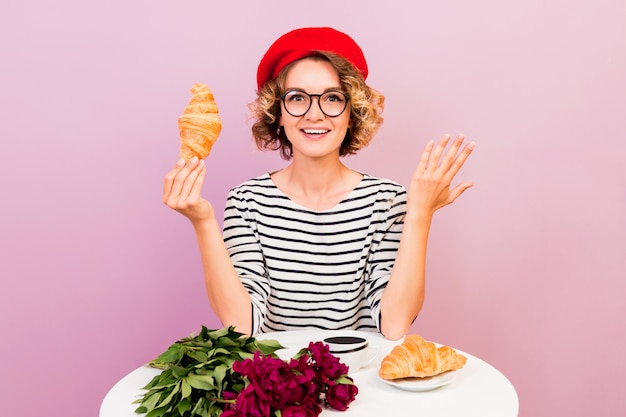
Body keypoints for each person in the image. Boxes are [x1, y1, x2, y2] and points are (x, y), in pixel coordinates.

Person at [162, 27, 474, 340]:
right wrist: (203, 223)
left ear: (352, 112)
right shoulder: (247, 202)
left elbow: (393, 325)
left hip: (361, 384)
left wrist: (420, 212)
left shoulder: (387, 201)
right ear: (278, 112)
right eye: (297, 98)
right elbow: (243, 327)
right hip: (276, 385)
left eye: (333, 98)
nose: (315, 114)